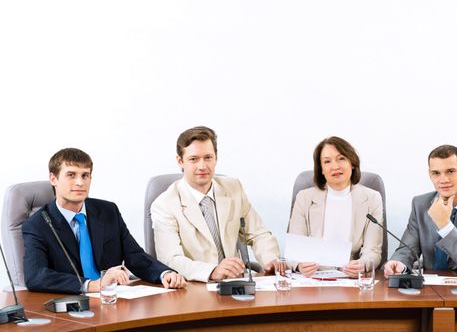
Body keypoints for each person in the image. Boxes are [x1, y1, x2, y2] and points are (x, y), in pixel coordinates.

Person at [22, 148, 187, 294]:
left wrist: (165, 273)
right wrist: (93, 285)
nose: (80, 182)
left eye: (85, 175)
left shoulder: (108, 211)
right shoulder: (38, 224)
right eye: (71, 175)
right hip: (72, 306)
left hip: (114, 300)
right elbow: (36, 276)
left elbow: (134, 255)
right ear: (53, 179)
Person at [151, 126, 281, 282]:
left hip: (236, 284)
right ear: (180, 161)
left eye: (208, 157)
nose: (202, 166)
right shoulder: (164, 204)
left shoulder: (233, 188)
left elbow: (258, 233)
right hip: (195, 288)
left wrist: (270, 260)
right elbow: (170, 258)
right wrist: (212, 271)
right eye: (194, 159)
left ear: (216, 157)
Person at [384, 145, 457, 276]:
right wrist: (398, 263)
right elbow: (407, 250)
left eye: (450, 171)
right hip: (429, 287)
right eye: (436, 173)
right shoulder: (420, 204)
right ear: (430, 174)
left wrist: (445, 226)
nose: (443, 180)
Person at [288, 136, 383, 278]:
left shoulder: (372, 198)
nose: (335, 166)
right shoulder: (304, 198)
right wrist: (300, 265)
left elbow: (373, 250)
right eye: (327, 161)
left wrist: (362, 264)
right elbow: (294, 250)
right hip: (313, 279)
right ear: (321, 169)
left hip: (351, 280)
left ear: (352, 162)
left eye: (341, 158)